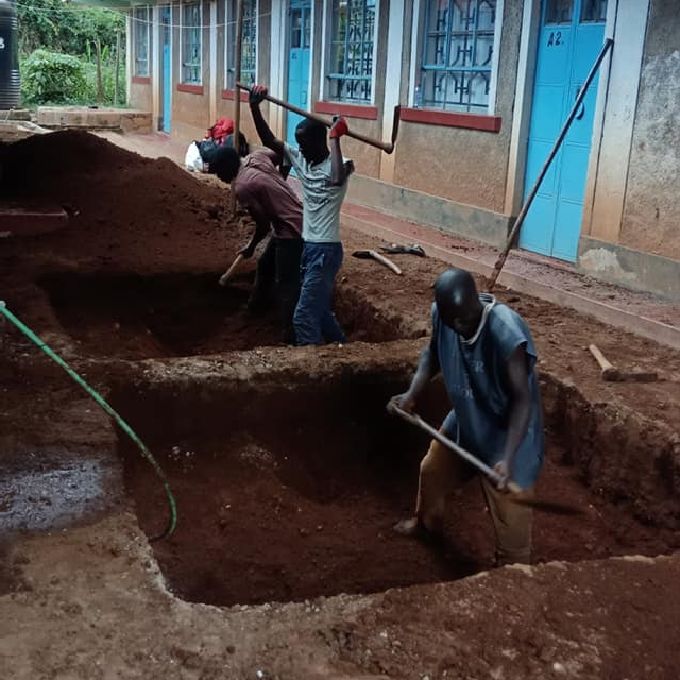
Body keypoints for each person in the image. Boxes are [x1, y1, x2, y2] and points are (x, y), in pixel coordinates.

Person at [387, 268, 544, 566]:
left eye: (466, 320)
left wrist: (507, 459)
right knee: (432, 470)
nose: (460, 325)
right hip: (468, 416)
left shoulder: (506, 333)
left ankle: (513, 570)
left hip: (509, 433)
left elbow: (523, 402)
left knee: (511, 519)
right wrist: (411, 395)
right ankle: (425, 524)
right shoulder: (444, 315)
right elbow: (431, 354)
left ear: (476, 304)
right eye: (455, 321)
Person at [247, 84, 353, 346]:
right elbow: (269, 141)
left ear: (320, 142)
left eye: (305, 144)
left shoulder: (341, 164)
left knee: (304, 316)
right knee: (320, 313)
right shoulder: (301, 159)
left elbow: (337, 178)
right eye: (298, 144)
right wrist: (254, 107)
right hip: (308, 247)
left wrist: (336, 138)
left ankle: (314, 367)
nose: (300, 149)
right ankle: (345, 351)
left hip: (326, 251)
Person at [210, 144, 303, 344]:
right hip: (292, 222)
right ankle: (257, 308)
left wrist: (251, 247)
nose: (219, 178)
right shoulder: (257, 157)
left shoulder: (243, 187)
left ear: (227, 167)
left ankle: (291, 335)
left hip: (293, 231)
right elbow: (280, 152)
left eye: (219, 173)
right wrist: (280, 181)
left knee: (286, 284)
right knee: (265, 264)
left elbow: (263, 225)